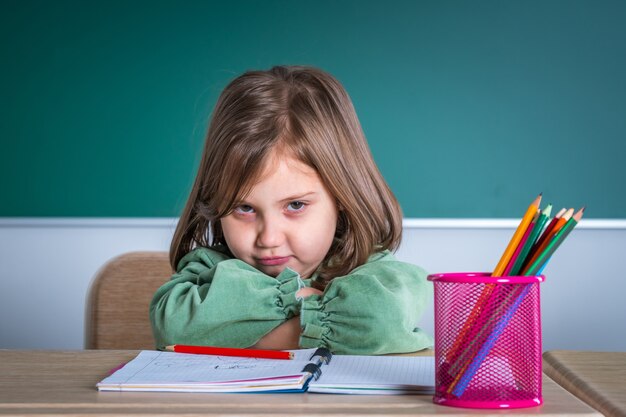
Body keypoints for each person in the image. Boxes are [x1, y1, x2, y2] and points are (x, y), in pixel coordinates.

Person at [150, 65, 432, 354]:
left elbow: (383, 321)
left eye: (295, 205)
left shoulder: (371, 271)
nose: (269, 239)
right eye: (244, 208)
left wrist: (253, 339)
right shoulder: (207, 271)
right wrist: (298, 298)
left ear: (342, 198)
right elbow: (172, 329)